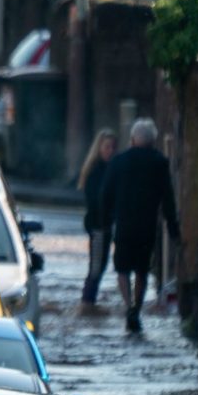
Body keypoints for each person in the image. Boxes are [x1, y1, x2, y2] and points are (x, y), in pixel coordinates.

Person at [97, 117, 180, 334]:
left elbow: (106, 194)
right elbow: (168, 198)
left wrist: (105, 221)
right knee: (142, 270)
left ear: (133, 139)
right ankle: (137, 307)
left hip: (124, 224)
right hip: (147, 226)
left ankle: (128, 306)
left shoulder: (119, 161)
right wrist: (173, 228)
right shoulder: (159, 162)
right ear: (153, 141)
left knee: (122, 269)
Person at [76, 129, 118, 315]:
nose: (110, 151)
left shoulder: (111, 168)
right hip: (98, 226)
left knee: (100, 265)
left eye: (113, 147)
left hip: (105, 224)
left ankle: (89, 301)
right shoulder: (95, 170)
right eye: (107, 147)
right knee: (96, 266)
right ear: (99, 148)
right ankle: (87, 301)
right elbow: (95, 200)